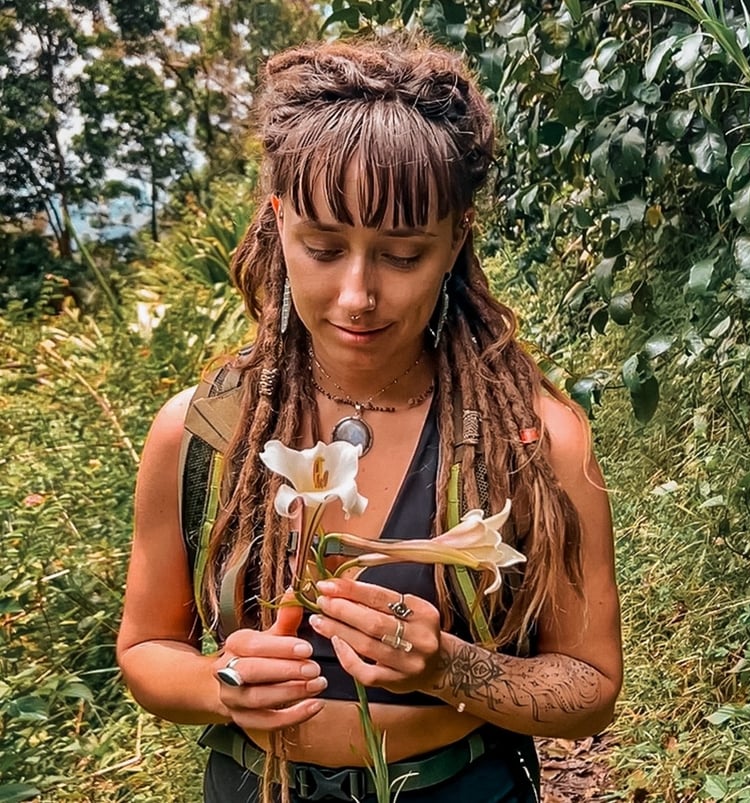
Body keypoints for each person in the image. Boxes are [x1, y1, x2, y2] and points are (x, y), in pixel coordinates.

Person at [117, 34, 622, 803]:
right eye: (322, 246)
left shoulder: (538, 437)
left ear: (456, 237)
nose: (357, 295)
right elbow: (147, 649)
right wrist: (222, 684)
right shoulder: (203, 430)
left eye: (402, 254)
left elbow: (591, 686)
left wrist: (450, 666)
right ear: (277, 221)